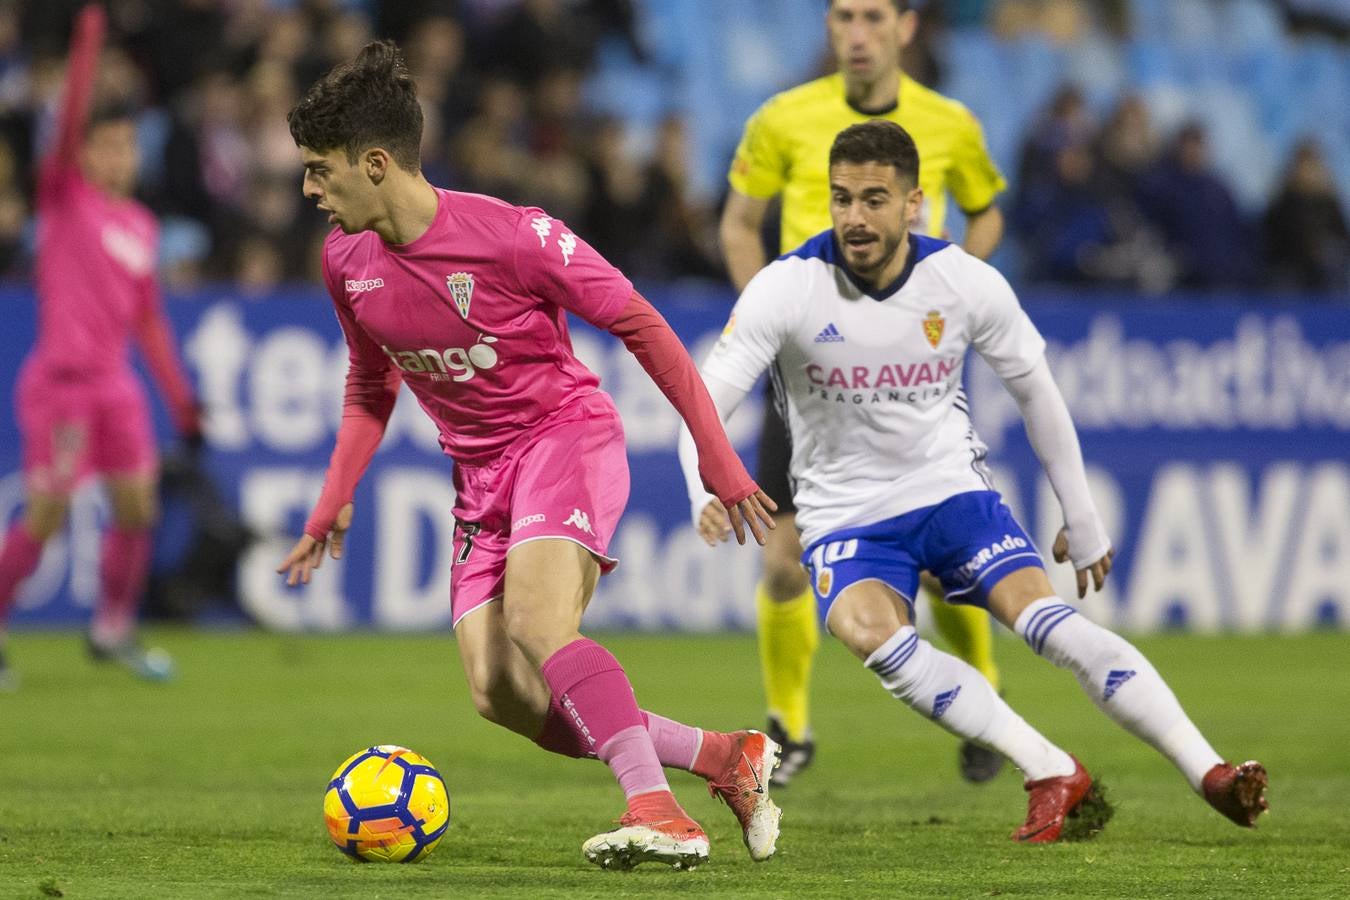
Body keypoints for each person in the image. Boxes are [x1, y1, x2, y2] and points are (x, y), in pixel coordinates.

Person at [682, 120, 1269, 842]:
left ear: (914, 204)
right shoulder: (789, 287)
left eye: (874, 199)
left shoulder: (962, 282)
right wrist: (704, 487)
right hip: (845, 516)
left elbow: (1038, 393)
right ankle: (1050, 767)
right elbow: (702, 404)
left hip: (950, 495)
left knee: (1049, 625)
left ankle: (1210, 771)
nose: (855, 218)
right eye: (841, 199)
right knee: (872, 636)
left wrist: (1080, 515)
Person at [277, 40, 782, 871]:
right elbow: (371, 386)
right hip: (480, 482)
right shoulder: (346, 263)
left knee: (540, 624)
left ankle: (659, 812)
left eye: (319, 170)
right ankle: (727, 759)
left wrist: (715, 456)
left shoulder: (513, 237)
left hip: (564, 438)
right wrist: (336, 493)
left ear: (374, 164)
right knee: (500, 693)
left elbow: (641, 322)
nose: (309, 190)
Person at [718, 0, 1008, 785]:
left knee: (940, 553)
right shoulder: (783, 118)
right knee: (782, 559)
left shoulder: (948, 124)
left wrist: (957, 305)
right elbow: (739, 224)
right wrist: (767, 319)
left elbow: (987, 216)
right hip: (809, 377)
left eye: (873, 17)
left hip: (908, 373)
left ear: (906, 27)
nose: (856, 32)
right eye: (843, 16)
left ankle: (983, 685)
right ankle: (791, 726)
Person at [0, 4, 201, 690]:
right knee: (48, 513)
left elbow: (148, 323)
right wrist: (90, 32)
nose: (119, 157)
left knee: (138, 508)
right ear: (82, 153)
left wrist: (181, 401)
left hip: (116, 386)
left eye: (126, 146)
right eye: (106, 147)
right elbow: (65, 120)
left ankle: (111, 629)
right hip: (59, 383)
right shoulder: (63, 198)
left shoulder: (142, 225)